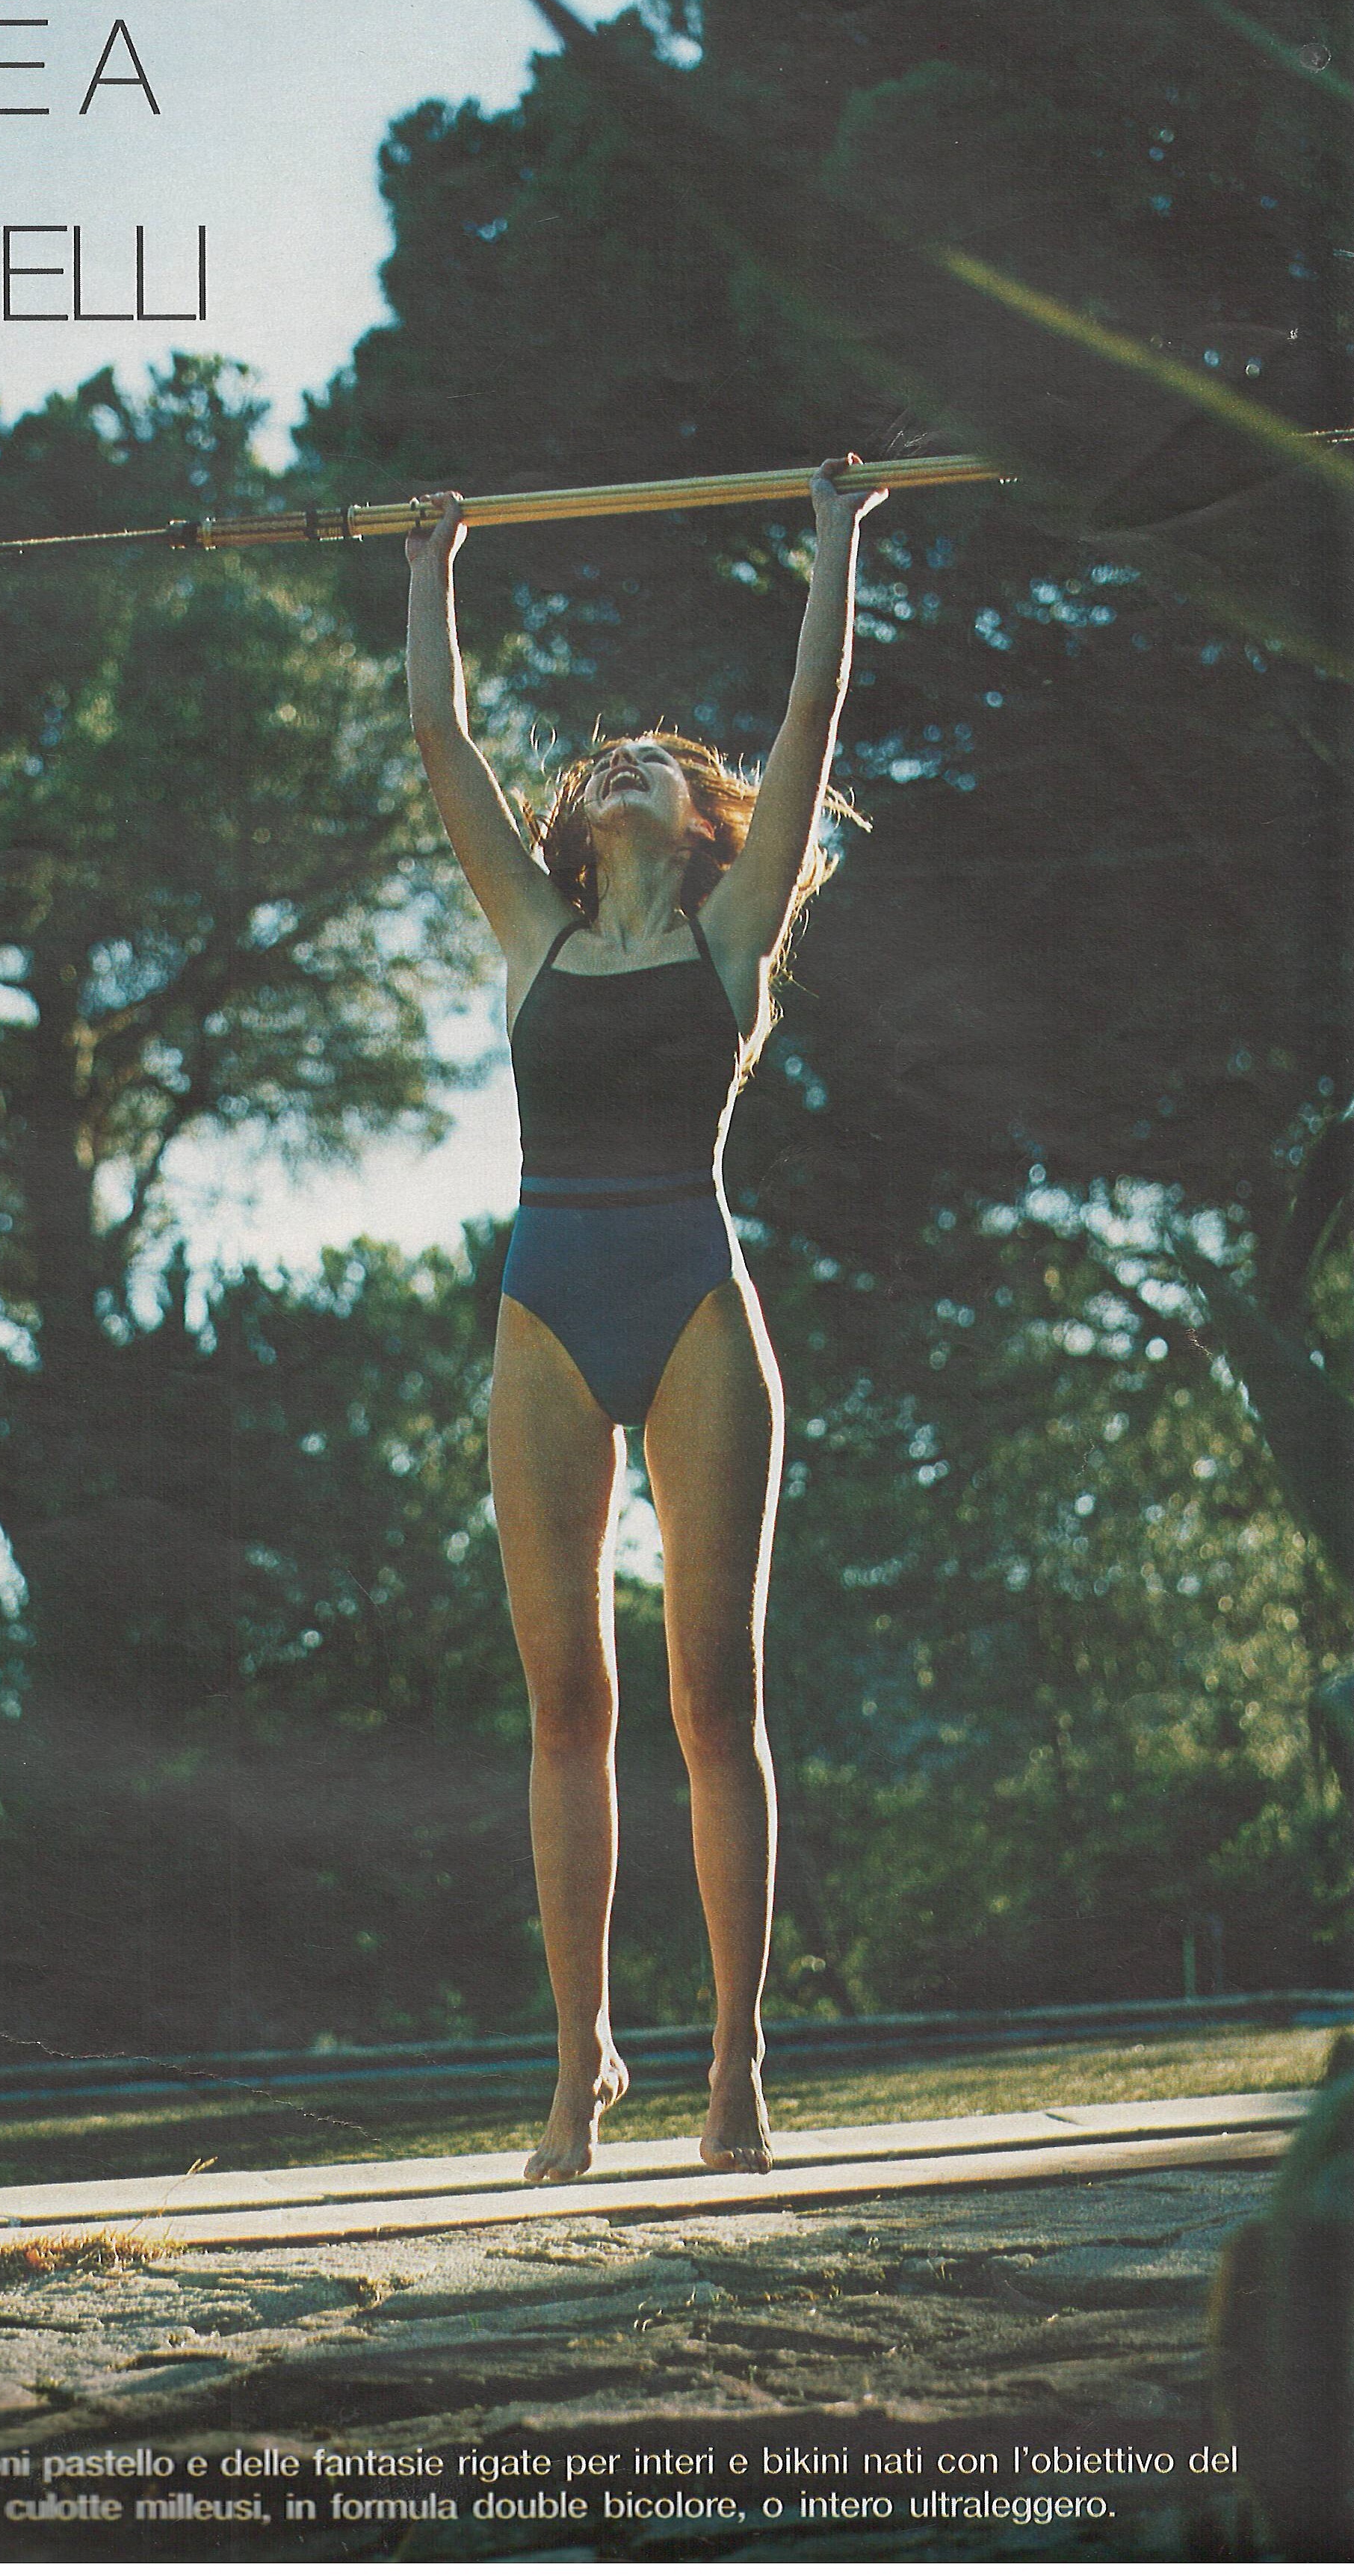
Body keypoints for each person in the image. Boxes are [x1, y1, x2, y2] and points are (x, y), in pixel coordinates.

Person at [405, 459, 885, 2181]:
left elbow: (810, 718)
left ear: (696, 828)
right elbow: (442, 737)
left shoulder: (731, 935)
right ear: (579, 819)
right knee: (563, 1704)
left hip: (689, 1295)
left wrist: (832, 541)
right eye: (607, 757)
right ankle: (575, 2067)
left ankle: (735, 2064)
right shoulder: (530, 936)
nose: (624, 761)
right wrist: (433, 557)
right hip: (544, 1303)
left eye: (659, 765)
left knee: (711, 1697)